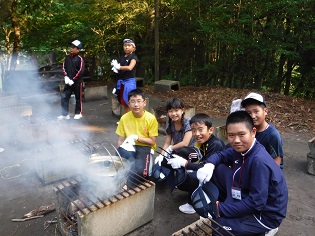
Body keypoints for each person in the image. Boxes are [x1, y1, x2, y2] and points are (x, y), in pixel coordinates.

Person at [194, 111, 288, 236]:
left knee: (218, 227)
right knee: (218, 169)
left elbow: (256, 203)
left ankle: (265, 230)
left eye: (241, 134)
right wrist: (209, 165)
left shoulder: (259, 161)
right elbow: (221, 155)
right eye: (231, 135)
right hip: (247, 196)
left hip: (265, 214)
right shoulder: (241, 149)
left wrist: (219, 208)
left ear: (253, 132)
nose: (236, 140)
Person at [166, 113, 225, 214]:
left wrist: (185, 164)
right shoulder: (204, 141)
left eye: (201, 129)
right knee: (183, 158)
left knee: (194, 176)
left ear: (211, 130)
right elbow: (198, 156)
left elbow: (205, 168)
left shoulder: (215, 144)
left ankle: (193, 205)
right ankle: (196, 192)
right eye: (193, 130)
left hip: (217, 179)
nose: (197, 134)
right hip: (208, 172)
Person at [116, 89, 158, 178]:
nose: (136, 105)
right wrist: (119, 154)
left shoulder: (150, 118)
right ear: (128, 104)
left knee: (141, 173)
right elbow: (120, 140)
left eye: (139, 101)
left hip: (145, 146)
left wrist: (136, 137)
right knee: (119, 167)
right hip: (129, 145)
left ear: (144, 103)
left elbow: (152, 141)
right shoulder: (124, 118)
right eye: (133, 102)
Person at [241, 92, 284, 168]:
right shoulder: (247, 130)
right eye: (248, 113)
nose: (253, 116)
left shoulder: (272, 135)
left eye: (256, 111)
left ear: (265, 111)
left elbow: (276, 163)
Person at [58, 40, 85, 120]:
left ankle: (78, 113)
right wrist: (66, 76)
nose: (71, 49)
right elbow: (63, 67)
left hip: (77, 82)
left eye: (73, 47)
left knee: (78, 98)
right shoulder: (67, 58)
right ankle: (64, 114)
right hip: (68, 81)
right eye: (71, 47)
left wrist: (73, 79)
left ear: (78, 49)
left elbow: (80, 71)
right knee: (64, 97)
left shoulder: (80, 59)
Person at [111, 38, 138, 115]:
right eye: (125, 45)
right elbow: (118, 69)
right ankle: (126, 119)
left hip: (129, 82)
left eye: (129, 45)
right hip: (121, 82)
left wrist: (119, 67)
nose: (126, 47)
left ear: (133, 48)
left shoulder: (133, 57)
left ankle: (132, 119)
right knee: (123, 101)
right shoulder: (121, 58)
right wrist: (115, 68)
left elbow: (130, 67)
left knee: (130, 101)